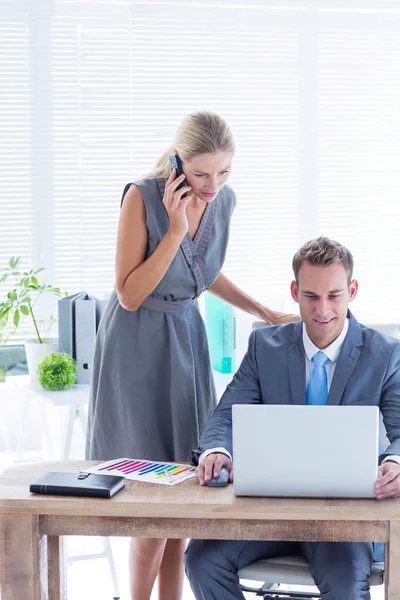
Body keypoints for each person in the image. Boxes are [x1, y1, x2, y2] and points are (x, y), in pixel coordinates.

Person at [85, 111, 298, 600]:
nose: (212, 184)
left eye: (224, 172)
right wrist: (175, 230)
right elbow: (130, 293)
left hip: (186, 337)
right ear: (179, 161)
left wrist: (261, 308)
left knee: (183, 486)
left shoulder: (223, 201)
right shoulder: (142, 196)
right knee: (148, 500)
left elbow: (201, 272)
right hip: (137, 345)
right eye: (202, 173)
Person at [185, 236, 400, 600]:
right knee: (201, 559)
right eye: (311, 296)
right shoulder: (263, 347)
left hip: (341, 524)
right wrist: (216, 450)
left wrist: (396, 461)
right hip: (268, 514)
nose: (323, 310)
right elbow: (227, 415)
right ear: (294, 291)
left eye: (334, 296)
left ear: (352, 290)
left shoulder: (384, 353)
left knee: (347, 584)